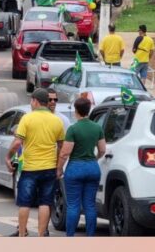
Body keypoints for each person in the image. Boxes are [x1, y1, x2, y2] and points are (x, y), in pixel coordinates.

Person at [5, 88, 65, 237]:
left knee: (24, 203)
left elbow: (17, 143)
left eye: (31, 100)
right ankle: (40, 235)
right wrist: (59, 166)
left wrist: (8, 157)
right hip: (49, 168)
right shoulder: (57, 120)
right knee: (45, 203)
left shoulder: (27, 118)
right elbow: (61, 147)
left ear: (35, 101)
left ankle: (22, 235)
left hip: (30, 168)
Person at [56, 97, 106, 237]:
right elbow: (102, 149)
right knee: (90, 205)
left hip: (75, 168)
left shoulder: (73, 129)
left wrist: (59, 169)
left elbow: (65, 152)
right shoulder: (97, 127)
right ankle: (90, 237)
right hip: (92, 168)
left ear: (76, 111)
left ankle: (71, 237)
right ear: (89, 110)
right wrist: (94, 159)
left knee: (73, 205)